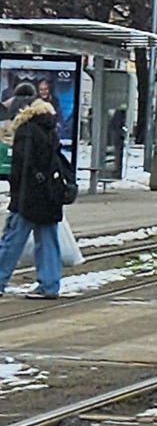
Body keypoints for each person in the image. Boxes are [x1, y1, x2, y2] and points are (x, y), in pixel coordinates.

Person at [0, 90, 72, 298]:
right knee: (48, 241)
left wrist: (15, 192)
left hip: (28, 197)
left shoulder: (26, 131)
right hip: (49, 195)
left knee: (12, 241)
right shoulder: (49, 130)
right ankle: (49, 285)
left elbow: (22, 166)